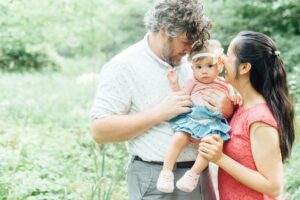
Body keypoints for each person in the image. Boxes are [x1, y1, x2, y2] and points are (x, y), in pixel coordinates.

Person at [90, 0, 233, 199]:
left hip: (198, 174)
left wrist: (226, 107)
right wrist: (159, 112)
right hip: (154, 179)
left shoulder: (192, 63)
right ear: (164, 30)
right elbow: (100, 130)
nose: (189, 50)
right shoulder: (123, 66)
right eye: (185, 42)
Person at [198, 31, 295, 200]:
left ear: (244, 67)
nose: (221, 60)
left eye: (227, 55)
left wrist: (220, 158)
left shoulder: (259, 119)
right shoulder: (241, 105)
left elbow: (273, 187)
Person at [156, 40, 242, 193]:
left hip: (212, 125)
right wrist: (174, 84)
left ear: (220, 66)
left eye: (210, 66)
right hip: (193, 121)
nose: (204, 71)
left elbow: (231, 105)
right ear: (192, 68)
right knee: (178, 138)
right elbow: (181, 97)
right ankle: (166, 171)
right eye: (199, 67)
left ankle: (193, 174)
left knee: (208, 148)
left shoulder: (225, 85)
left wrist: (236, 99)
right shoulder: (192, 82)